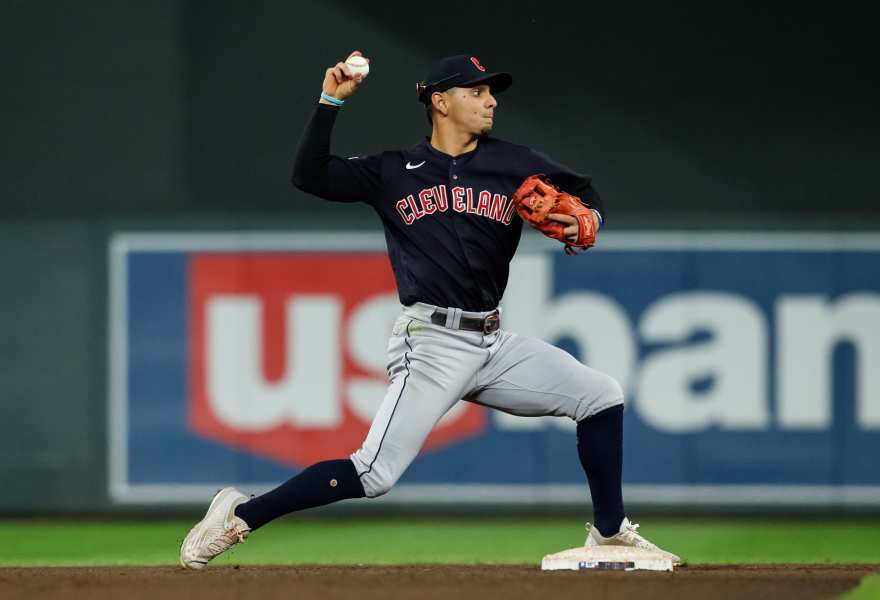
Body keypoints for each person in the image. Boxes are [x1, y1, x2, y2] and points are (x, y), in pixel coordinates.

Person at [180, 51, 680, 569]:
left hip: (491, 341)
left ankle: (609, 532)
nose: (490, 101)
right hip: (433, 342)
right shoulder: (394, 172)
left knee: (600, 395)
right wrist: (330, 101)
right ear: (440, 102)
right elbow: (310, 175)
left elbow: (584, 190)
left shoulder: (513, 162)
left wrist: (588, 218)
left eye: (491, 92)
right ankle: (239, 515)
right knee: (374, 474)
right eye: (476, 91)